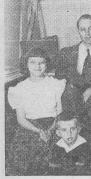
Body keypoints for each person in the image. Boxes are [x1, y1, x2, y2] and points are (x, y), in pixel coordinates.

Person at [6, 47, 66, 175]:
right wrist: (39, 131)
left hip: (53, 125)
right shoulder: (19, 89)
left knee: (58, 156)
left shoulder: (55, 84)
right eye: (32, 62)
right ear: (26, 64)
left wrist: (50, 130)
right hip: (30, 127)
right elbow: (20, 119)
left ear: (47, 64)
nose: (37, 66)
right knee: (27, 156)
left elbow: (59, 113)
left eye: (41, 62)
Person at [55, 14, 91, 135]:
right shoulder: (66, 53)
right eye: (83, 29)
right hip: (70, 107)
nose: (87, 33)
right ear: (78, 31)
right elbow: (59, 79)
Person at [48, 111, 91, 175]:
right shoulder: (56, 148)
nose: (69, 133)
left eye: (73, 129)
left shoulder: (86, 148)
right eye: (64, 130)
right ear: (58, 133)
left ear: (79, 129)